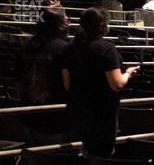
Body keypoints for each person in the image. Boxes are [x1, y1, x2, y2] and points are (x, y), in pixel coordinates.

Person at [62, 8, 139, 156]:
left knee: (85, 152)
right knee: (102, 155)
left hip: (78, 110)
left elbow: (67, 84)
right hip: (101, 114)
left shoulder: (70, 48)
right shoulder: (106, 49)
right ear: (103, 26)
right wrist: (128, 73)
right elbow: (117, 84)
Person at [18, 9, 70, 144]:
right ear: (60, 26)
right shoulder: (64, 49)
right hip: (55, 120)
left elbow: (17, 81)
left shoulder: (26, 47)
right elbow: (69, 85)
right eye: (66, 21)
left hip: (28, 117)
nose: (69, 25)